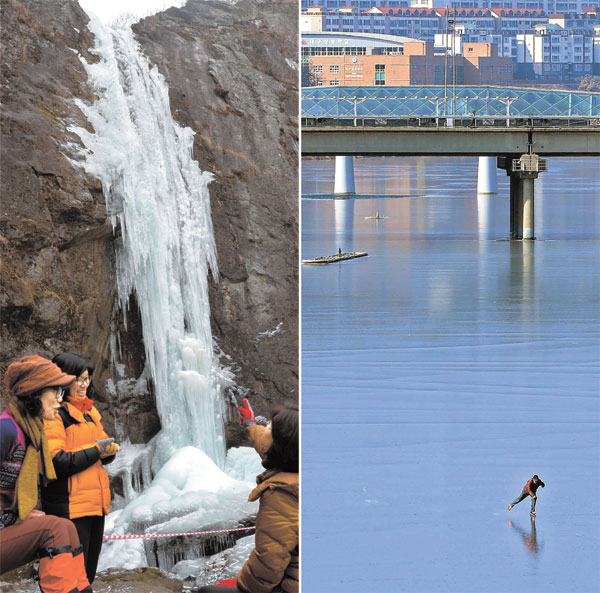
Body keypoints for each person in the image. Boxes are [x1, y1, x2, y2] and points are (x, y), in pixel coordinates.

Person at [0, 355, 91, 593]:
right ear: (35, 393)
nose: (61, 401)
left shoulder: (28, 430)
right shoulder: (6, 430)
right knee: (54, 529)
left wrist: (18, 516)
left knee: (67, 527)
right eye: (57, 393)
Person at [199, 398, 299, 593]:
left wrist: (242, 587)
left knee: (208, 592)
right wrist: (251, 424)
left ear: (279, 445)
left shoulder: (283, 493)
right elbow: (267, 443)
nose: (265, 429)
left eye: (269, 428)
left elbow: (270, 560)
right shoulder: (298, 459)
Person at [41, 352, 119, 585]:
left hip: (94, 505)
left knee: (87, 574)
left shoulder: (90, 414)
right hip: (70, 507)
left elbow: (98, 449)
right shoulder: (54, 415)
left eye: (87, 379)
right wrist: (97, 450)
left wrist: (109, 452)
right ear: (64, 380)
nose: (84, 384)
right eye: (79, 379)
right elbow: (56, 461)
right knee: (70, 578)